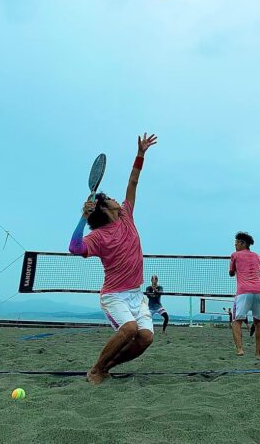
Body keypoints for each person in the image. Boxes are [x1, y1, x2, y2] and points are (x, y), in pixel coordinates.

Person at [68, 133, 157, 384]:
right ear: (105, 207)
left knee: (146, 339)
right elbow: (74, 248)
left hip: (136, 294)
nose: (117, 198)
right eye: (110, 198)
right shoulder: (98, 236)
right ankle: (96, 369)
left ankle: (108, 367)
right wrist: (82, 218)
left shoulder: (127, 214)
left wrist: (140, 154)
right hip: (114, 295)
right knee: (128, 330)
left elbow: (133, 181)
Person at [229, 231, 260, 358]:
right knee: (258, 322)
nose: (235, 246)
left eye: (236, 243)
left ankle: (240, 349)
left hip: (244, 292)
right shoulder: (258, 256)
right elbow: (257, 270)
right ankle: (258, 354)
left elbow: (231, 273)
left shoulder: (235, 255)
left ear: (243, 243)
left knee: (236, 321)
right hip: (259, 291)